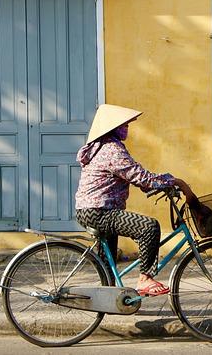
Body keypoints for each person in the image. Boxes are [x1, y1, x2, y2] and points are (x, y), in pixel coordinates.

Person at [75, 104, 195, 297]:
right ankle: (145, 279)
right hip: (99, 211)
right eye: (123, 125)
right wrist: (174, 181)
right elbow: (141, 177)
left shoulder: (103, 147)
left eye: (127, 125)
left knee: (108, 261)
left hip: (92, 209)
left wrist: (158, 183)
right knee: (149, 227)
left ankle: (108, 297)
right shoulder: (111, 150)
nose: (127, 129)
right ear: (112, 128)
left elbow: (135, 177)